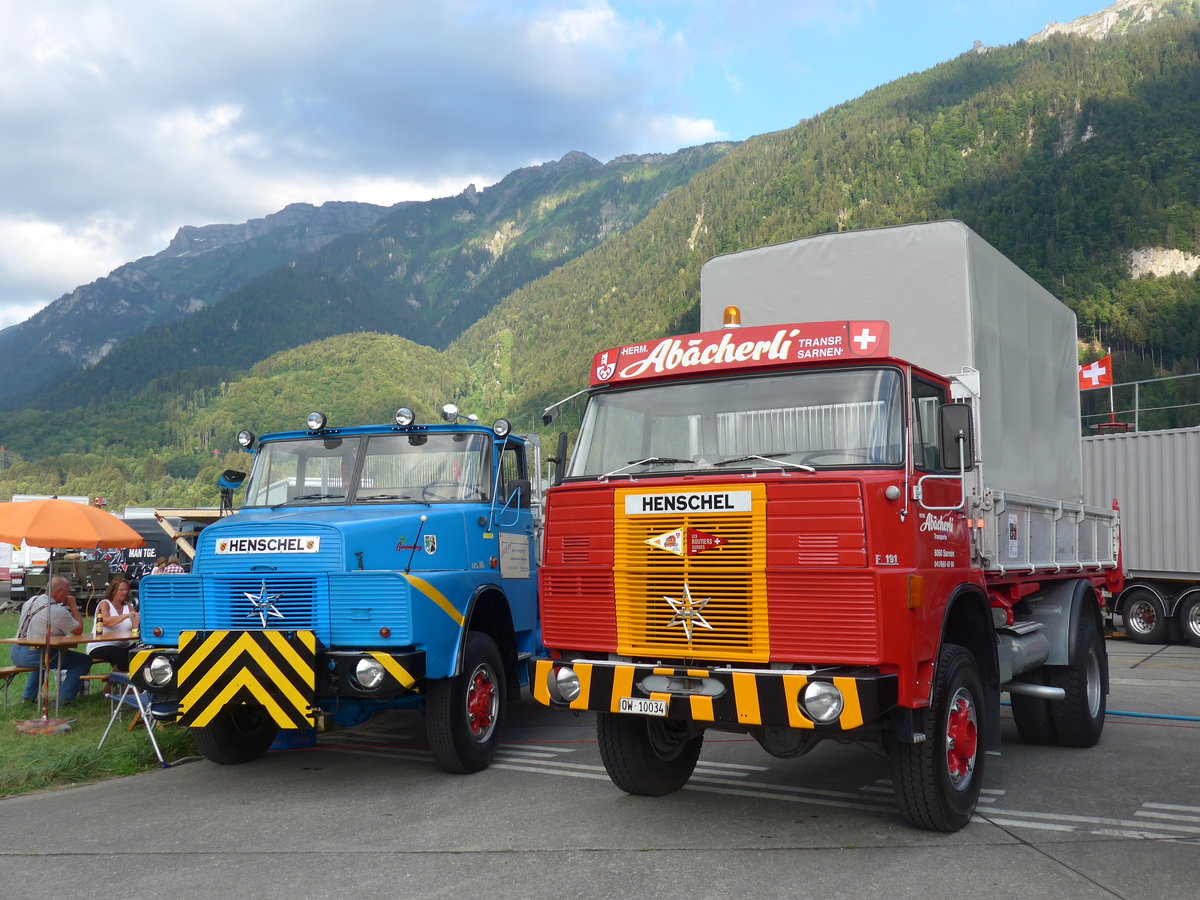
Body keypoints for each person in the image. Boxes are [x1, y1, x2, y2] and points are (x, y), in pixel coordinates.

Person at [12, 575, 93, 706]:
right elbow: (78, 629)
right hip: (33, 655)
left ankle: (28, 697)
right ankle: (64, 699)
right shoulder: (56, 611)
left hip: (16, 651)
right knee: (83, 661)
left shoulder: (31, 600)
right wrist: (73, 605)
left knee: (45, 659)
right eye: (67, 592)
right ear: (60, 591)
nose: (68, 595)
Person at [86, 577, 139, 672]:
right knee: (122, 657)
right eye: (121, 590)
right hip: (101, 645)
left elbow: (135, 627)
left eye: (126, 590)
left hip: (123, 645)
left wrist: (138, 620)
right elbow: (105, 622)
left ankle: (127, 683)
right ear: (113, 591)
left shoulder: (129, 606)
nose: (125, 592)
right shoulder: (105, 604)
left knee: (141, 651)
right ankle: (110, 685)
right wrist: (126, 616)